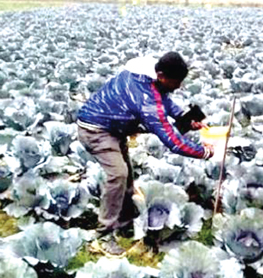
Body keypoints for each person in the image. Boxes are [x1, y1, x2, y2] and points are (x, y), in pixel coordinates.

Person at [77, 52, 213, 242]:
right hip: (95, 129)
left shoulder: (148, 71)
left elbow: (165, 99)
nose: (179, 86)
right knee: (118, 174)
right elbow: (173, 142)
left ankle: (125, 223)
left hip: (114, 128)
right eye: (176, 81)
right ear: (162, 76)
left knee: (127, 177)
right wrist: (205, 152)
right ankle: (104, 233)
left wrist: (185, 118)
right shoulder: (145, 99)